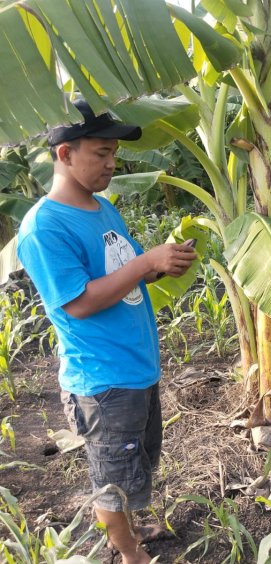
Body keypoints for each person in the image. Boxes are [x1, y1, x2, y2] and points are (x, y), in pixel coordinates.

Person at [17, 99, 198, 564]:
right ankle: (130, 555)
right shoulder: (44, 227)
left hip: (135, 367)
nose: (112, 163)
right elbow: (78, 303)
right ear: (65, 155)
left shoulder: (102, 209)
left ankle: (131, 534)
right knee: (112, 482)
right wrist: (144, 261)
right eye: (101, 152)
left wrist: (162, 264)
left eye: (114, 153)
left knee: (135, 463)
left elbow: (123, 274)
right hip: (102, 379)